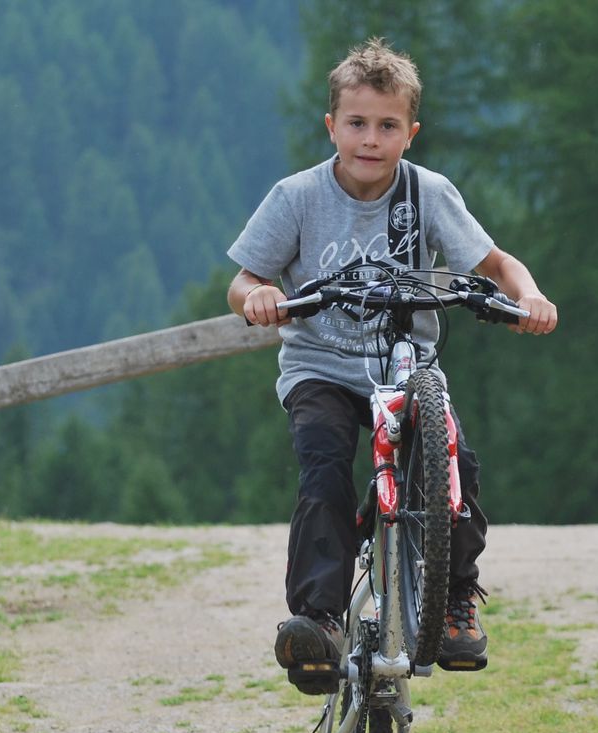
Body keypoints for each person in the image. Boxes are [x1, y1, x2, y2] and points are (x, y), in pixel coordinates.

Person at [226, 37, 556, 694]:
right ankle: (319, 620)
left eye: (387, 126)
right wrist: (256, 297)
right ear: (331, 127)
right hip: (322, 367)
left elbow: (496, 264)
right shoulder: (297, 197)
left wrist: (530, 295)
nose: (370, 140)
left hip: (409, 372)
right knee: (324, 467)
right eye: (357, 124)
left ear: (411, 133)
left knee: (455, 463)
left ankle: (455, 601)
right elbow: (244, 280)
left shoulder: (427, 193)